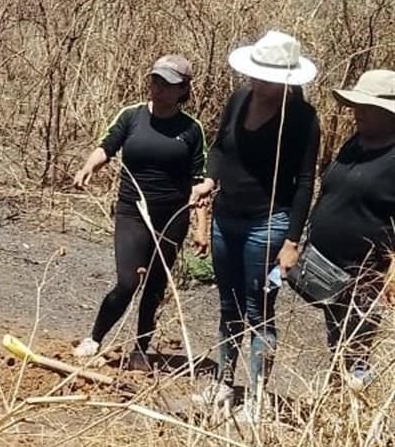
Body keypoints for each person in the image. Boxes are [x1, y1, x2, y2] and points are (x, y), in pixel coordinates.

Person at [190, 31, 320, 423]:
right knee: (228, 304)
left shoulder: (302, 119)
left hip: (269, 221)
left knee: (259, 309)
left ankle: (258, 396)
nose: (257, 82)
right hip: (227, 215)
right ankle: (224, 381)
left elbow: (305, 183)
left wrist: (292, 240)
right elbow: (219, 148)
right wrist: (210, 181)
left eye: (266, 76)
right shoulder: (238, 100)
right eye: (255, 74)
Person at [71, 55, 208, 370]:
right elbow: (107, 146)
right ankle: (94, 337)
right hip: (132, 211)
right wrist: (88, 167)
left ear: (183, 89)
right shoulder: (131, 116)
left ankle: (140, 350)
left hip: (173, 217)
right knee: (128, 281)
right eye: (155, 81)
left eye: (167, 85)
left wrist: (201, 228)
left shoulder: (192, 129)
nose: (158, 89)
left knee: (156, 285)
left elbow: (199, 182)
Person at [300, 69, 395, 390]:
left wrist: (392, 274)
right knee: (336, 342)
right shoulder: (354, 143)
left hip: (365, 274)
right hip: (328, 268)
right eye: (357, 106)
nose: (358, 113)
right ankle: (337, 400)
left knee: (357, 350)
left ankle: (355, 414)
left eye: (367, 108)